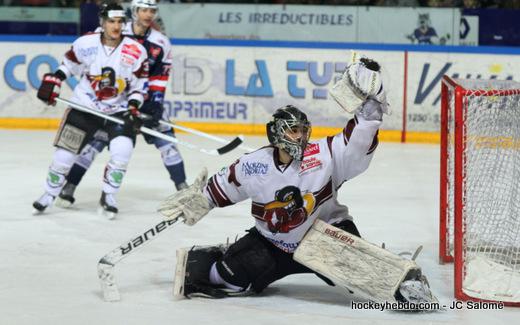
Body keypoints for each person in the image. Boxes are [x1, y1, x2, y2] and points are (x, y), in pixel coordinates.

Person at [158, 57, 389, 298]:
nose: (300, 136)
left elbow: (358, 143)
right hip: (273, 244)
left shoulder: (325, 155)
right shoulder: (253, 165)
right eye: (293, 130)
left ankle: (380, 268)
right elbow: (222, 188)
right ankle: (227, 257)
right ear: (277, 133)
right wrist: (199, 201)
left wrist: (371, 107)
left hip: (324, 236)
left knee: (367, 276)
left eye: (303, 130)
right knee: (225, 278)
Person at [56, 0, 187, 209]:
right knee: (94, 145)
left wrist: (154, 104)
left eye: (152, 10)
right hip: (114, 104)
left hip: (142, 100)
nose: (148, 14)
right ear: (134, 11)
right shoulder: (114, 29)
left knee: (168, 143)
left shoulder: (161, 42)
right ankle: (69, 187)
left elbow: (159, 77)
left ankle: (183, 189)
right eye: (144, 9)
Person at [32, 1, 149, 219]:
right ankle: (49, 194)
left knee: (122, 152)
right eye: (111, 21)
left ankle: (109, 196)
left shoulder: (136, 51)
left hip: (118, 111)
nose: (116, 26)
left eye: (120, 22)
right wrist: (55, 79)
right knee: (63, 157)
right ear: (102, 22)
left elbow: (139, 86)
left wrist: (133, 107)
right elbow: (68, 65)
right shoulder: (85, 43)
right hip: (85, 108)